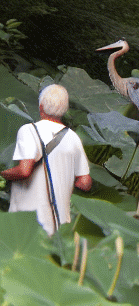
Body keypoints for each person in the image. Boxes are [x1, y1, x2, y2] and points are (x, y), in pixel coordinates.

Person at [2, 84, 91, 235]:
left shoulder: (29, 130)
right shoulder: (73, 137)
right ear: (64, 109)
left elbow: (24, 171)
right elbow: (85, 183)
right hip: (59, 224)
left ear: (41, 106)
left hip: (26, 222)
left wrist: (3, 175)